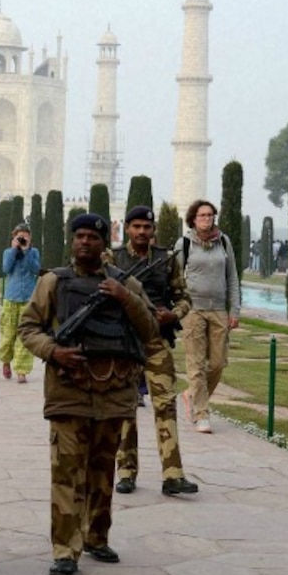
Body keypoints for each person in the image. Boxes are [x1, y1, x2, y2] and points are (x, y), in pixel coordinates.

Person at [17, 213, 157, 575]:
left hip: (112, 392)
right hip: (69, 391)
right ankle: (65, 549)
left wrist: (126, 298)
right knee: (66, 474)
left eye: (92, 237)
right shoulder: (54, 282)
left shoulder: (123, 284)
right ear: (72, 241)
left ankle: (96, 536)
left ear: (103, 242)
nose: (84, 242)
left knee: (101, 472)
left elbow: (150, 328)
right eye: (78, 236)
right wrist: (53, 351)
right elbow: (28, 327)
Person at [109, 206, 199, 496]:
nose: (142, 232)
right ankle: (126, 471)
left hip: (156, 341)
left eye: (147, 228)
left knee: (165, 405)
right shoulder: (113, 259)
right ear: (127, 229)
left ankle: (173, 474)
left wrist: (173, 315)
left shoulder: (166, 259)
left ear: (153, 230)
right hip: (125, 343)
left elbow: (183, 297)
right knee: (125, 408)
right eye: (136, 227)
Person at [179, 200, 241, 434]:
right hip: (193, 310)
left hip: (218, 310)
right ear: (193, 219)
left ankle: (190, 395)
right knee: (195, 364)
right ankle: (201, 414)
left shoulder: (223, 242)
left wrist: (234, 310)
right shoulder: (185, 243)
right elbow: (175, 278)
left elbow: (232, 277)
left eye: (210, 215)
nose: (206, 218)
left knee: (217, 363)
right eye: (202, 215)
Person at [0, 223, 40, 383]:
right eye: (20, 236)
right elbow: (6, 268)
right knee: (8, 335)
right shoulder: (8, 252)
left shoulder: (34, 252)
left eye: (25, 236)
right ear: (14, 237)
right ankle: (6, 361)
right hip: (11, 297)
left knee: (25, 335)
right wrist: (14, 250)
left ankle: (22, 370)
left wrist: (26, 251)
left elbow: (36, 269)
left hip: (28, 298)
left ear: (30, 237)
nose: (23, 239)